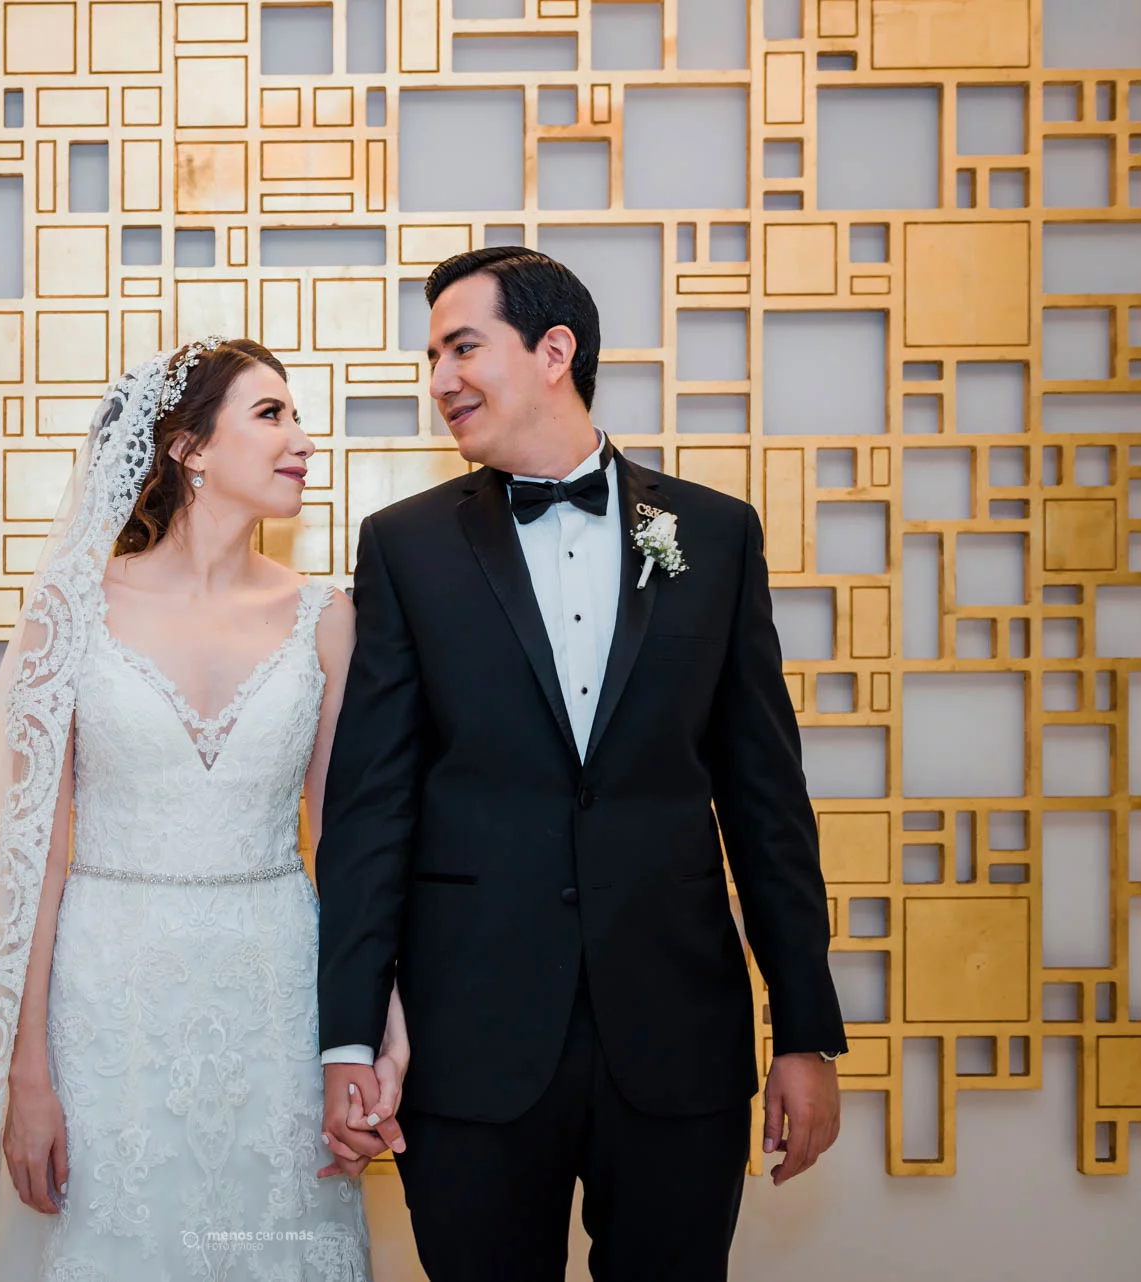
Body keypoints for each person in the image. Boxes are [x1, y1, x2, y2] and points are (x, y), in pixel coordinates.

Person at [0, 338, 405, 1282]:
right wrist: (26, 1075)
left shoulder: (326, 616)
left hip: (277, 996)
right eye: (272, 415)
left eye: (296, 416)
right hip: (109, 998)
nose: (303, 439)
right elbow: (33, 861)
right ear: (188, 448)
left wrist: (378, 1030)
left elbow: (349, 847)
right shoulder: (72, 613)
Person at [314, 246, 849, 1282]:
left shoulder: (708, 535)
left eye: (462, 347)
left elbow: (766, 804)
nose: (441, 381)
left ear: (555, 350)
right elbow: (370, 808)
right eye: (431, 356)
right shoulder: (405, 548)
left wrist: (805, 1033)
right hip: (469, 1043)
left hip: (678, 1039)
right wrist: (347, 1038)